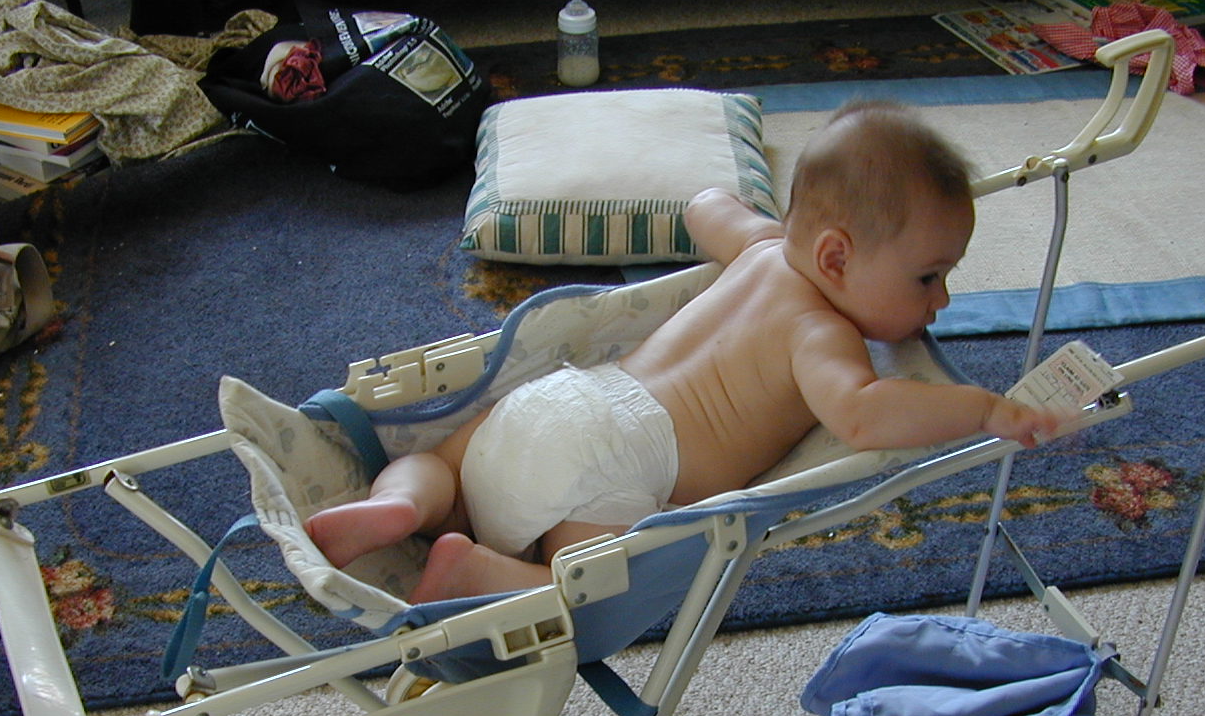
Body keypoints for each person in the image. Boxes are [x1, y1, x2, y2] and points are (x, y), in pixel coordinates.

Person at [307, 99, 1059, 601]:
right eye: (928, 277)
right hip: (624, 464)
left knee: (447, 464)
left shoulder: (761, 250)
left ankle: (400, 503)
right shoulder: (819, 331)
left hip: (562, 400)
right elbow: (863, 415)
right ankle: (476, 573)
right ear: (835, 258)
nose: (942, 300)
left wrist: (753, 215)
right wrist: (984, 409)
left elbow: (705, 208)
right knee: (587, 586)